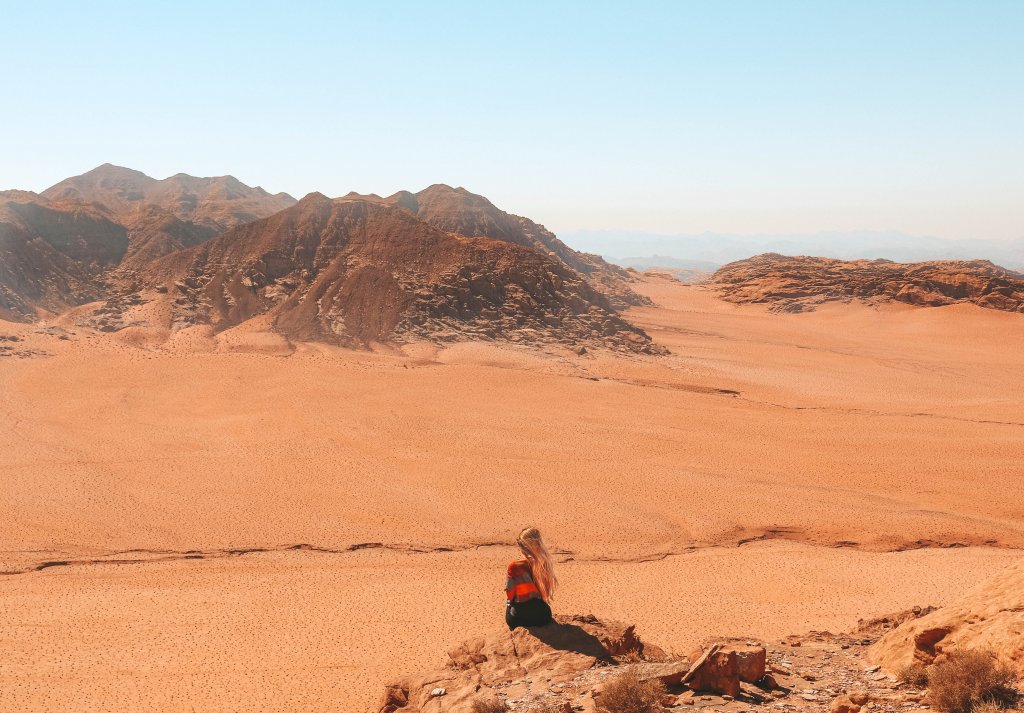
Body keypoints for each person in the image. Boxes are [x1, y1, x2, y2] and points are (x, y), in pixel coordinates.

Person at [505, 526, 557, 629]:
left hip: (519, 617)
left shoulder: (514, 566)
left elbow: (510, 595)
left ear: (522, 547)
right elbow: (545, 593)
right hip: (543, 615)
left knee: (509, 605)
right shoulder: (544, 564)